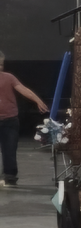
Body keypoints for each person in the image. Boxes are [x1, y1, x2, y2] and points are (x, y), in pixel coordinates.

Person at [0, 52, 49, 187]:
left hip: (9, 120)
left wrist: (37, 100)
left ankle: (10, 177)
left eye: (1, 64)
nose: (0, 66)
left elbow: (23, 90)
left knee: (9, 149)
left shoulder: (9, 78)